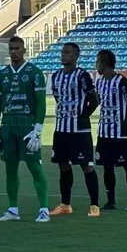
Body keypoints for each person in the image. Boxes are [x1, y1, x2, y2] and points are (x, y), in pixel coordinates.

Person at [0, 36, 49, 222]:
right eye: (11, 48)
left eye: (17, 48)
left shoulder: (34, 72)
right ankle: (13, 210)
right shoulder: (3, 74)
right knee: (10, 168)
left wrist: (38, 130)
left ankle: (44, 209)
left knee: (34, 167)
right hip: (8, 126)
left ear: (24, 50)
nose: (14, 51)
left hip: (27, 125)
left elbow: (41, 103)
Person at [47, 42, 101, 217]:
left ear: (76, 56)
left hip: (80, 130)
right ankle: (65, 204)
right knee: (63, 165)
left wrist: (83, 115)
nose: (64, 55)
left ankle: (94, 205)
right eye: (63, 52)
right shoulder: (55, 76)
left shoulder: (83, 75)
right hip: (61, 129)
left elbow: (94, 99)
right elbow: (57, 98)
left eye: (68, 52)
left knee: (87, 166)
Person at [93, 49, 127, 211]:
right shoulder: (100, 82)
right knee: (107, 166)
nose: (96, 65)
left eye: (97, 62)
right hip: (104, 131)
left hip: (120, 132)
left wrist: (124, 122)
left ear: (104, 63)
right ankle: (110, 200)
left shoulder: (122, 82)